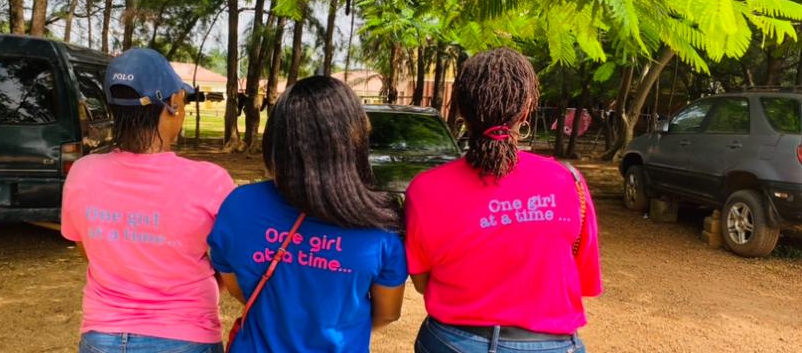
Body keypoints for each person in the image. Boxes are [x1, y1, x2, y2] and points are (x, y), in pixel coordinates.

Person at [405, 48, 602, 353]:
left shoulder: (423, 189)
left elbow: (421, 282)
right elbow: (583, 279)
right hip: (550, 345)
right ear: (525, 111)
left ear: (462, 110)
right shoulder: (567, 182)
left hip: (451, 342)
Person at [208, 76, 407, 352]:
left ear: (277, 141)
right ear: (355, 142)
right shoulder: (379, 225)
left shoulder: (239, 206)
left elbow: (237, 286)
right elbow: (388, 313)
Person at [61, 48, 236, 353]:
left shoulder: (82, 173)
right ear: (173, 104)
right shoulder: (211, 181)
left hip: (103, 337)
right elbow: (230, 267)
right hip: (186, 337)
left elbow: (87, 249)